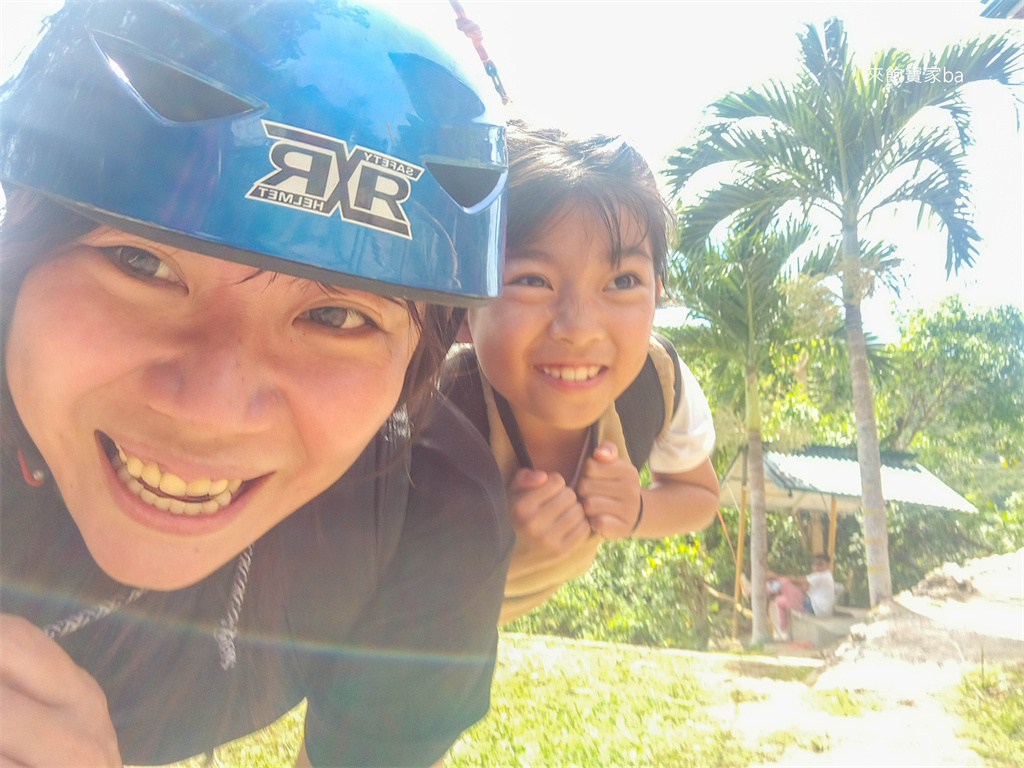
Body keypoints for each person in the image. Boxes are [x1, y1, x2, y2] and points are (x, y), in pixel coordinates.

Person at [0, 2, 514, 766]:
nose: (210, 410)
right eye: (142, 263)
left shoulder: (433, 520)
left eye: (338, 317)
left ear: (418, 361)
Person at [444, 123, 719, 623]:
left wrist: (636, 511)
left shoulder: (657, 383)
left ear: (657, 293)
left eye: (622, 281)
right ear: (463, 306)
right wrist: (497, 540)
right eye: (532, 280)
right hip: (434, 623)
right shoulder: (427, 412)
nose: (579, 328)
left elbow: (699, 496)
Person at [767, 554, 836, 639]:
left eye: (820, 563)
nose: (817, 566)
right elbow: (801, 586)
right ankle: (783, 631)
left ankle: (756, 589)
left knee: (783, 582)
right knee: (779, 601)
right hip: (815, 607)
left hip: (813, 607)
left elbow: (796, 580)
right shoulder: (820, 576)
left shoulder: (822, 575)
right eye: (815, 564)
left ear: (828, 565)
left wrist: (775, 576)